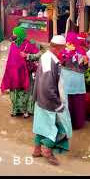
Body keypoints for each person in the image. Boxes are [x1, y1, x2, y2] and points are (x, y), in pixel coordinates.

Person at [32, 35, 73, 166]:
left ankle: (37, 149)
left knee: (41, 126)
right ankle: (47, 149)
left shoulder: (45, 56)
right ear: (58, 47)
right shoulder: (51, 61)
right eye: (62, 48)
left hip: (41, 99)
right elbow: (48, 86)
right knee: (61, 128)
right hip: (49, 101)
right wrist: (57, 104)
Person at [1, 27, 41, 118]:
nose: (13, 35)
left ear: (20, 35)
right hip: (14, 73)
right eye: (13, 33)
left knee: (25, 92)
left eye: (15, 34)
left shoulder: (28, 44)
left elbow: (39, 54)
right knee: (14, 92)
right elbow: (11, 58)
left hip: (25, 72)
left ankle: (25, 111)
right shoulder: (13, 44)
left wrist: (27, 55)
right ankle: (16, 110)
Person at [59, 32, 88, 129]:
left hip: (66, 80)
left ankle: (68, 123)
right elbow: (85, 66)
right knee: (78, 101)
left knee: (67, 102)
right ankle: (78, 124)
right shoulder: (82, 51)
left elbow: (59, 63)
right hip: (78, 81)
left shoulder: (63, 51)